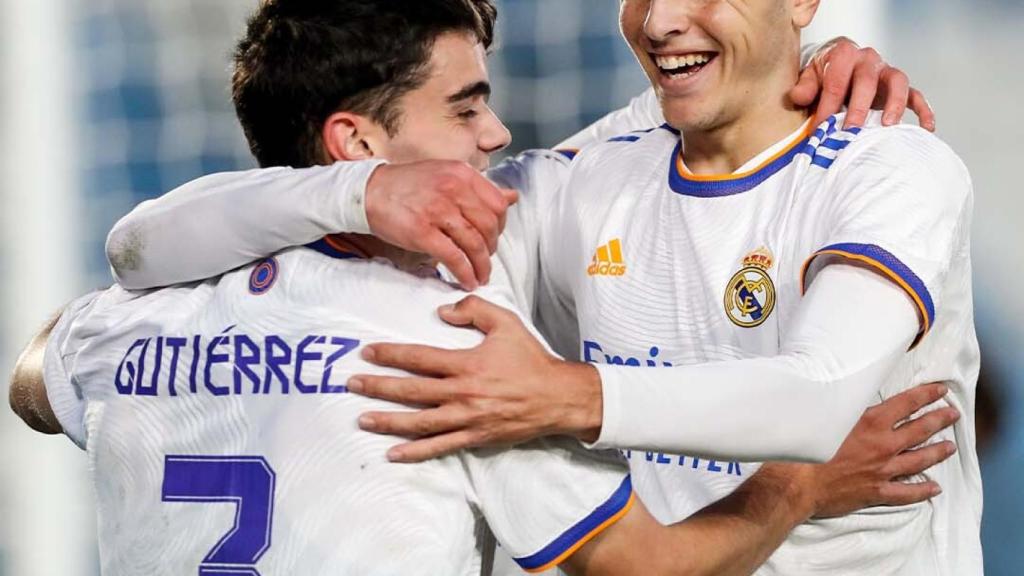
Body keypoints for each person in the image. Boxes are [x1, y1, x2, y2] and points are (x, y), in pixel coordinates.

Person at [7, 1, 958, 575]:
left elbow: (81, 316)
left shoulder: (125, 329)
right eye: (469, 106)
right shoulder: (452, 344)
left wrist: (355, 192)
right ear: (357, 146)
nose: (499, 134)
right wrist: (792, 489)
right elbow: (639, 568)